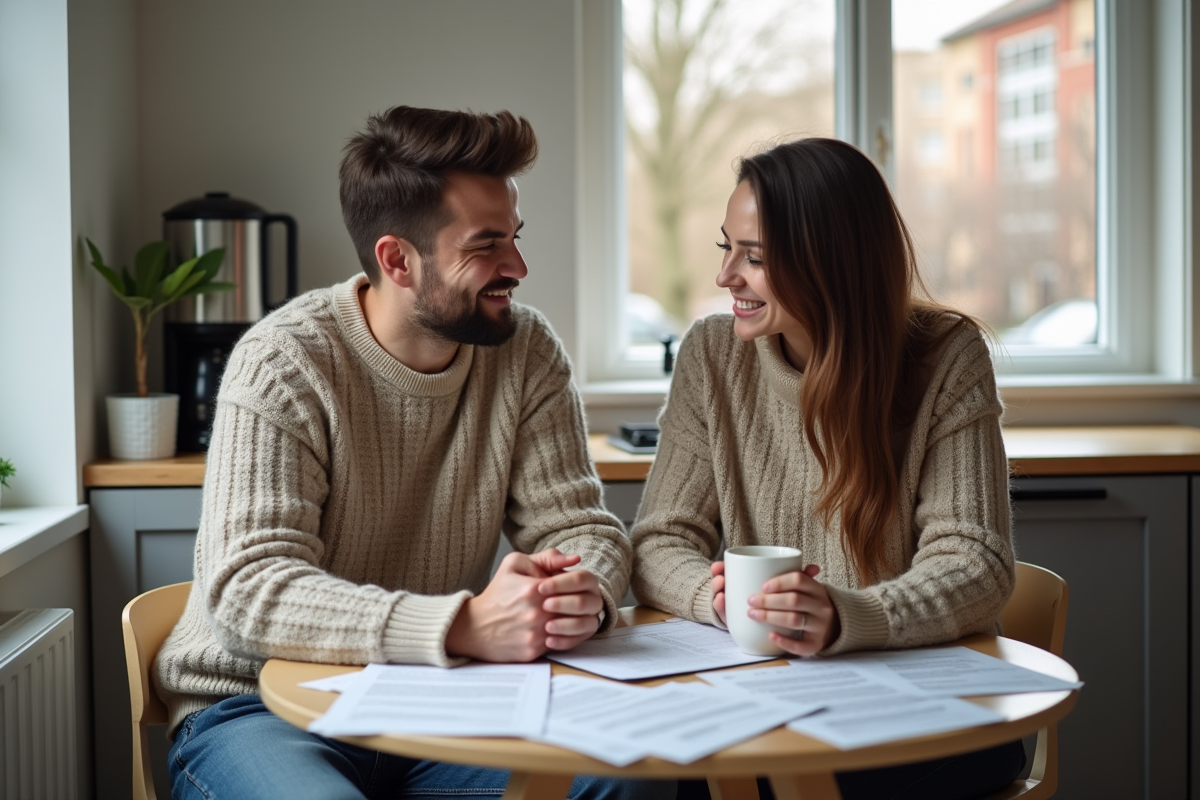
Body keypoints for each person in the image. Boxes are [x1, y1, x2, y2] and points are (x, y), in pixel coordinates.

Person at [155, 106, 658, 800]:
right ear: (397, 259)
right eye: (486, 246)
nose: (518, 266)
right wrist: (463, 624)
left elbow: (581, 527)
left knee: (618, 782)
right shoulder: (283, 363)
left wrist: (581, 593)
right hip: (258, 707)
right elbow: (250, 591)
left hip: (441, 701)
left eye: (515, 236)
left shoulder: (525, 351)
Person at [631, 137, 1025, 800]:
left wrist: (851, 616)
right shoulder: (710, 355)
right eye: (726, 248)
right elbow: (658, 539)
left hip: (921, 711)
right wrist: (716, 598)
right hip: (766, 702)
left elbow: (976, 561)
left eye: (754, 257)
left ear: (829, 265)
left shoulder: (948, 356)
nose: (727, 277)